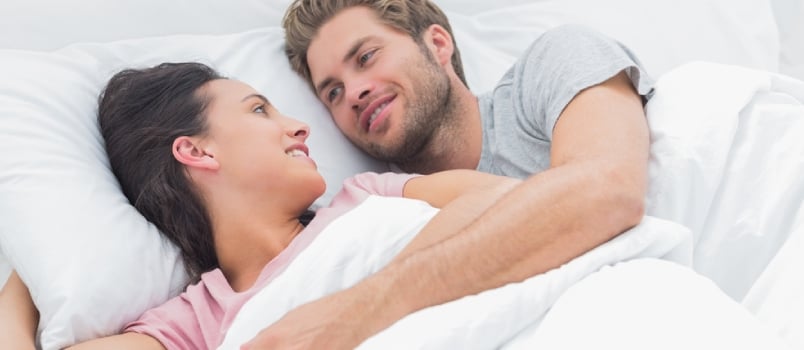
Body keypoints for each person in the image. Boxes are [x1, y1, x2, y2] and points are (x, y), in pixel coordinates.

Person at [0, 61, 523, 349]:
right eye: (258, 110)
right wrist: (35, 258)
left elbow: (524, 207)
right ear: (196, 150)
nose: (298, 126)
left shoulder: (370, 195)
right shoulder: (194, 324)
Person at [240, 0, 654, 348]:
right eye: (333, 92)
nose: (353, 93)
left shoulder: (554, 61)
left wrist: (357, 312)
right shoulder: (378, 216)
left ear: (437, 44)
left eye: (366, 57)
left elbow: (608, 191)